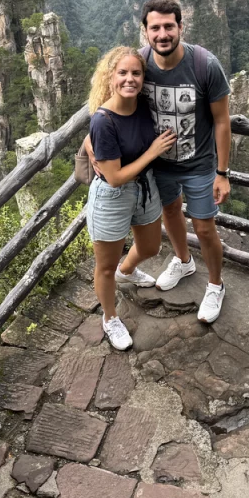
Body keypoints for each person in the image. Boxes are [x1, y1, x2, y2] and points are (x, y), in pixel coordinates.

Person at [139, 0, 232, 323]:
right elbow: (114, 104)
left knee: (205, 229)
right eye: (155, 27)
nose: (162, 34)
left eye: (169, 26)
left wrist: (222, 172)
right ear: (145, 31)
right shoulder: (139, 64)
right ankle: (183, 261)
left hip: (200, 164)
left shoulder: (205, 65)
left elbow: (222, 120)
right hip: (161, 163)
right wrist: (92, 139)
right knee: (170, 213)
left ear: (180, 27)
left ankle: (216, 284)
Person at [83, 46, 176, 350]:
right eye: (122, 73)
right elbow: (115, 177)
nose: (130, 79)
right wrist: (152, 152)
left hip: (144, 188)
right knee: (105, 266)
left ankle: (128, 271)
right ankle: (110, 318)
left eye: (136, 73)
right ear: (110, 77)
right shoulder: (103, 120)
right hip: (113, 196)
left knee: (149, 246)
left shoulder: (143, 105)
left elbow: (92, 138)